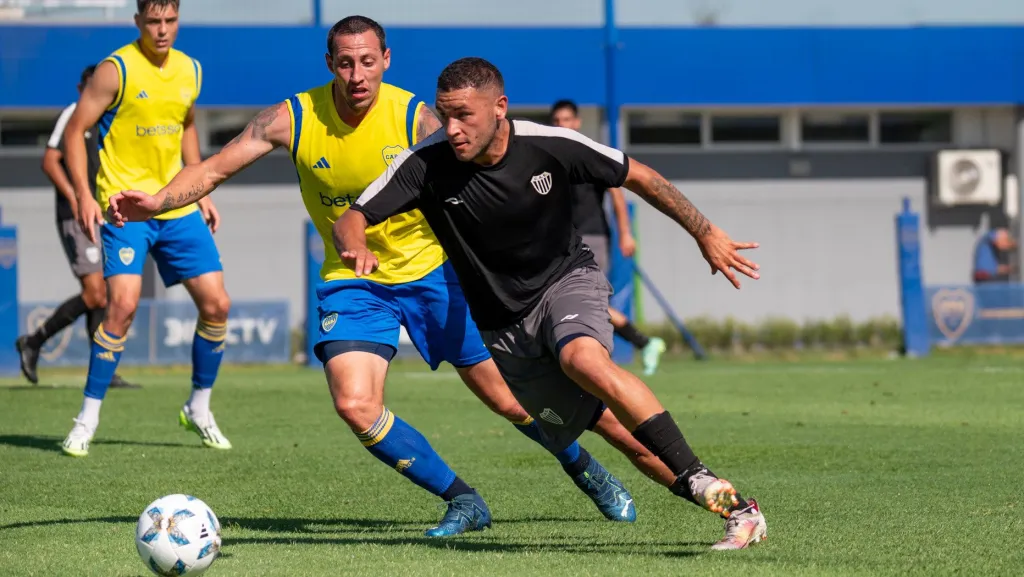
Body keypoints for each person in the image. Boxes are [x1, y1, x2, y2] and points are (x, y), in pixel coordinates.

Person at [104, 16, 678, 537]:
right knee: (355, 404)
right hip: (353, 278)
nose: (357, 75)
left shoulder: (418, 119)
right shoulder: (293, 117)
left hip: (433, 270)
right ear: (330, 64)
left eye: (367, 61)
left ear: (386, 59)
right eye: (345, 63)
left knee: (509, 400)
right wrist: (156, 201)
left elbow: (483, 172)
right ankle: (462, 500)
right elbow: (212, 168)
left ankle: (583, 465)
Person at [334, 57, 769, 550]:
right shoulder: (425, 162)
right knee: (623, 436)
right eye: (445, 114)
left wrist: (704, 231)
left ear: (500, 107)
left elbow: (640, 176)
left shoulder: (548, 144)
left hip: (567, 281)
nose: (451, 129)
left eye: (464, 115)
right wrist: (355, 243)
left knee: (582, 358)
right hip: (504, 329)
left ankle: (716, 491)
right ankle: (739, 510)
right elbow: (352, 216)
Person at [59, 0, 231, 458]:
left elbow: (186, 124)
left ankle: (198, 407)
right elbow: (75, 131)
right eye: (153, 21)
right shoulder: (115, 70)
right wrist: (83, 195)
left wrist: (201, 188)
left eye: (170, 20)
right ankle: (86, 419)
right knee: (122, 307)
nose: (162, 29)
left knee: (217, 305)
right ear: (138, 21)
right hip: (124, 207)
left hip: (176, 204)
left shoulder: (191, 70)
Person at [15, 64, 139, 390]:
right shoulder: (73, 113)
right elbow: (49, 161)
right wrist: (74, 196)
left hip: (102, 214)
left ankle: (103, 369)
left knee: (103, 294)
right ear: (82, 88)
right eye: (91, 86)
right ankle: (34, 341)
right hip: (75, 215)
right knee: (96, 292)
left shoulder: (109, 119)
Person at [549, 99, 666, 375]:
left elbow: (617, 196)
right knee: (567, 299)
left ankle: (624, 350)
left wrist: (625, 233)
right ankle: (642, 344)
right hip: (562, 241)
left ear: (577, 122)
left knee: (589, 301)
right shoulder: (550, 157)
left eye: (566, 120)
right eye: (556, 121)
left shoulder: (589, 153)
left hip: (593, 238)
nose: (561, 125)